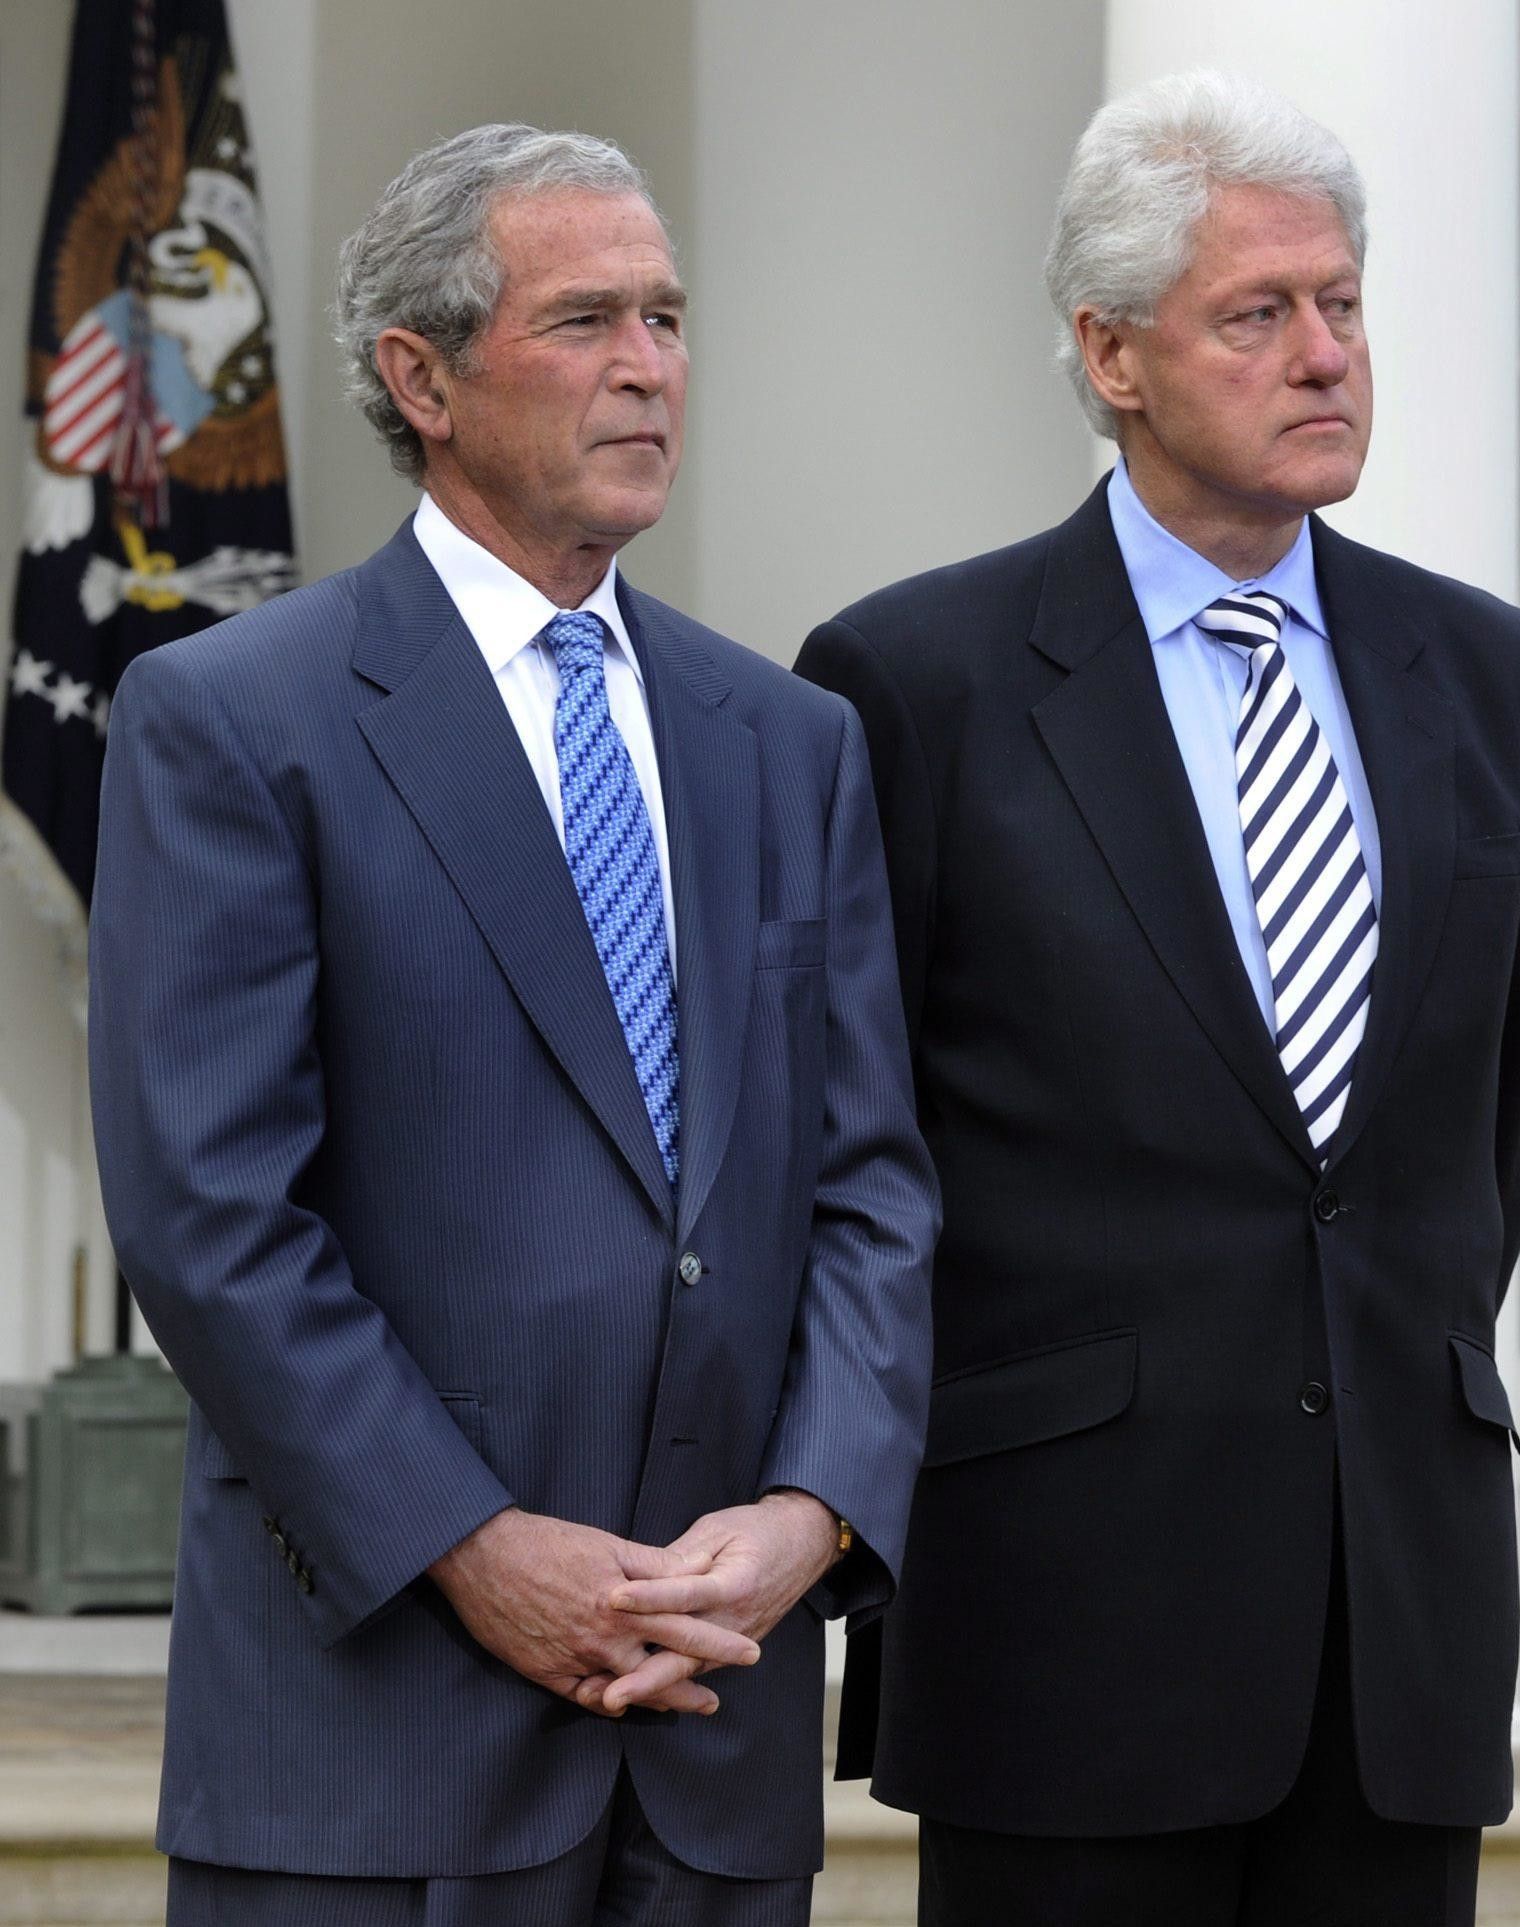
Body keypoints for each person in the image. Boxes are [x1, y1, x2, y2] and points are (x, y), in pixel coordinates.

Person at [88, 124, 936, 1924]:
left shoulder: (791, 741)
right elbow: (212, 1218)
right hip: (375, 1747)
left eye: (667, 317)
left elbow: (872, 1184)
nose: (648, 366)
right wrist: (470, 1545)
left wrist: (812, 1513)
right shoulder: (235, 718)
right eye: (585, 321)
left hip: (712, 1727)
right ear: (424, 378)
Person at [795, 70, 1520, 1927]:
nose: (1327, 356)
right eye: (1259, 314)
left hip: (1398, 1626)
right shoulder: (915, 680)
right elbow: (849, 1147)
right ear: (1112, 352)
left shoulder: (1490, 675)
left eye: (1344, 303)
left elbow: (1496, 1119)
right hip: (1060, 1613)